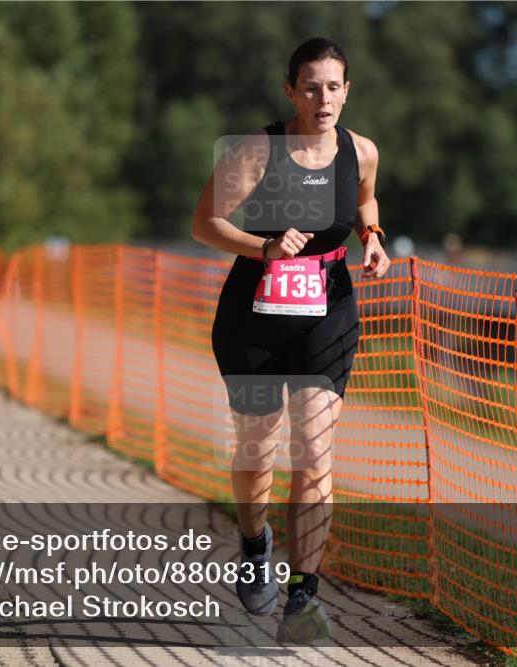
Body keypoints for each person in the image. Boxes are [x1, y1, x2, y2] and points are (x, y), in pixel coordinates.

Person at [191, 37, 390, 643]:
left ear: (347, 90)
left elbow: (363, 199)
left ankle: (303, 597)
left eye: (333, 86)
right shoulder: (260, 149)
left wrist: (374, 237)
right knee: (256, 455)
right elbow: (204, 224)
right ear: (290, 90)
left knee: (314, 451)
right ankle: (255, 542)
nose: (322, 98)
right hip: (254, 314)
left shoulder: (361, 150)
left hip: (327, 310)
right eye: (310, 86)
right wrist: (265, 248)